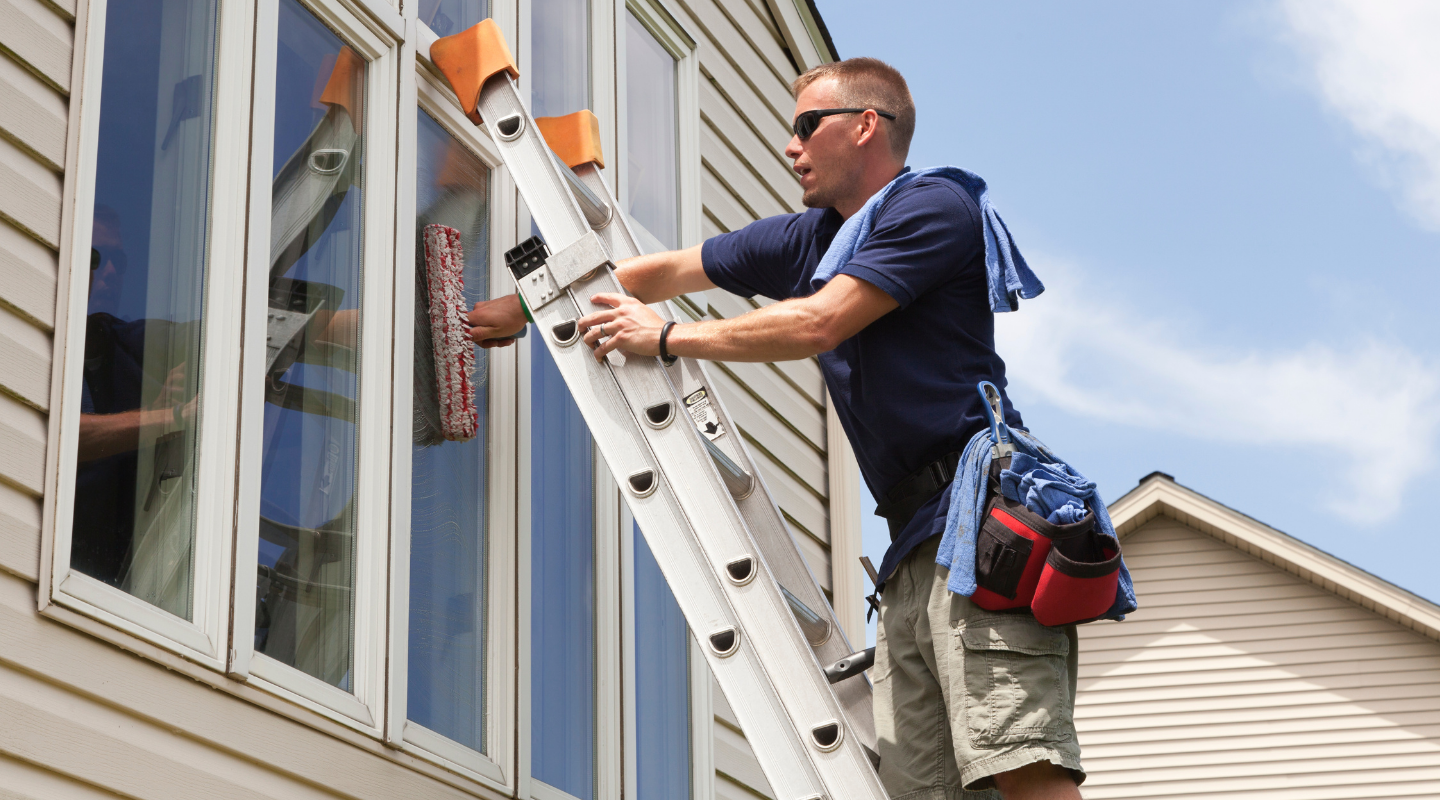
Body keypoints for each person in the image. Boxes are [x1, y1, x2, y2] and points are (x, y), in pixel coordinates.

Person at [467, 58, 1084, 800]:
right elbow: (665, 271)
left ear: (866, 126)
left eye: (804, 126)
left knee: (1017, 762)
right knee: (922, 790)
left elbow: (822, 322)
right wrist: (523, 306)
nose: (789, 147)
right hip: (913, 544)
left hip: (977, 527)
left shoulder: (935, 208)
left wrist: (664, 341)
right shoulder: (814, 240)